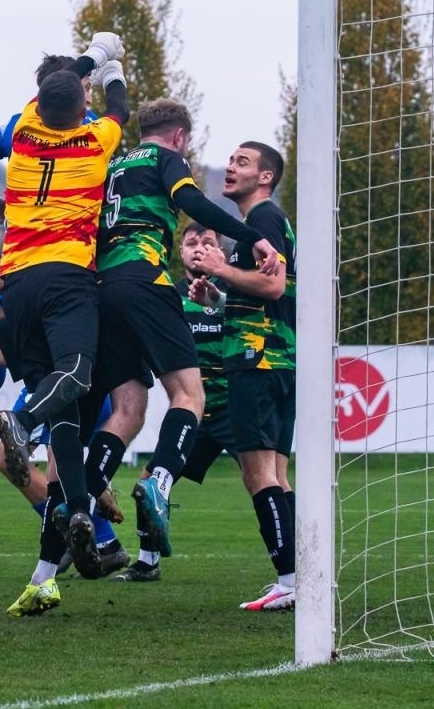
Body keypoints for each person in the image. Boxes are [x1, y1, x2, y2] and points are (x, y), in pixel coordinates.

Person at [0, 35, 129, 580]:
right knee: (77, 375)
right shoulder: (97, 140)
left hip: (16, 284)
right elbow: (120, 110)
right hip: (67, 278)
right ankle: (17, 420)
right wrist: (110, 68)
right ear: (82, 104)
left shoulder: (23, 129)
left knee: (64, 408)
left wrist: (92, 55)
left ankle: (78, 512)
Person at [86, 99, 277, 558]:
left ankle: (84, 490)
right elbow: (190, 201)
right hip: (143, 278)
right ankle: (159, 481)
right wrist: (252, 236)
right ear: (179, 137)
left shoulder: (112, 165)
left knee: (128, 407)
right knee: (189, 395)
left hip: (101, 287)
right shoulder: (165, 157)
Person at [189, 141, 297, 611]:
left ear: (265, 177)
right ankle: (301, 574)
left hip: (258, 359)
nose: (230, 168)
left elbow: (272, 284)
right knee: (276, 476)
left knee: (258, 475)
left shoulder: (264, 220)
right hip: (277, 359)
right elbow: (267, 294)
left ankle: (290, 580)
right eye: (231, 161)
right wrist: (216, 295)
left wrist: (220, 269)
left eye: (242, 162)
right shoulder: (260, 226)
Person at [115, 221, 233, 583]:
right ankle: (147, 562)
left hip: (234, 408)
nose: (199, 248)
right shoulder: (165, 297)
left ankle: (293, 571)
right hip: (192, 414)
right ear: (179, 252)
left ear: (221, 252)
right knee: (149, 481)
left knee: (262, 481)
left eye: (208, 242)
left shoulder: (234, 296)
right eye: (192, 242)